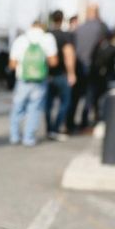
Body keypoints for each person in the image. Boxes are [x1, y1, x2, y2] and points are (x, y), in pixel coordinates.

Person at [8, 20, 58, 147]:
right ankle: (28, 138)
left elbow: (12, 65)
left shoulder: (20, 40)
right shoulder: (47, 38)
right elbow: (53, 62)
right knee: (34, 109)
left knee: (18, 108)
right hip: (40, 80)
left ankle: (14, 136)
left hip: (22, 79)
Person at [69, 3, 109, 133]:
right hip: (92, 67)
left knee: (75, 97)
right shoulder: (100, 27)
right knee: (89, 96)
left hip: (77, 66)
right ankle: (84, 122)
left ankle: (69, 123)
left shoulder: (79, 28)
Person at [44, 10, 76, 141]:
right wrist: (72, 73)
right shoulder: (65, 35)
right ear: (62, 19)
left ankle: (49, 129)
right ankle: (56, 128)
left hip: (46, 75)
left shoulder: (46, 35)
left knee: (48, 104)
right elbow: (69, 55)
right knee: (65, 102)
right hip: (61, 74)